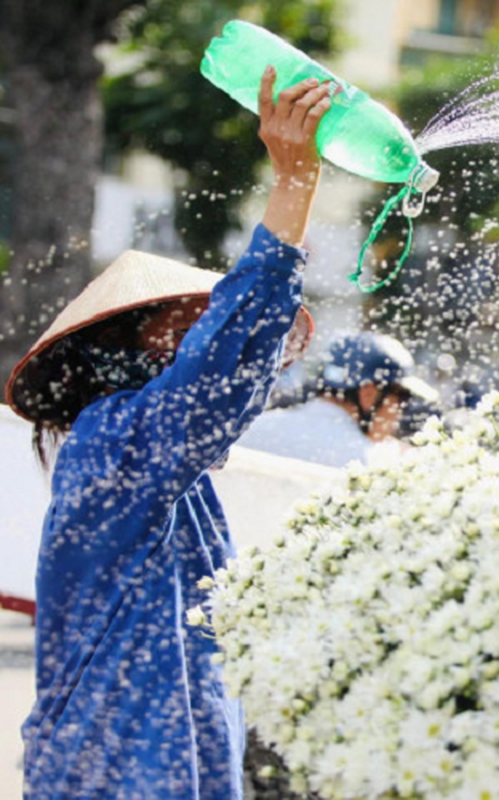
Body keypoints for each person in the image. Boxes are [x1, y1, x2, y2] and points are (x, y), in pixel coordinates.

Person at [4, 67, 332, 799]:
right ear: (120, 342)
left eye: (203, 316)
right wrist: (295, 183)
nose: (198, 330)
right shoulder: (111, 442)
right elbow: (218, 369)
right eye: (180, 318)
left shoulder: (168, 473)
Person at [238, 331, 439, 467]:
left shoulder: (251, 429)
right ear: (369, 393)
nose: (399, 413)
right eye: (401, 399)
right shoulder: (369, 465)